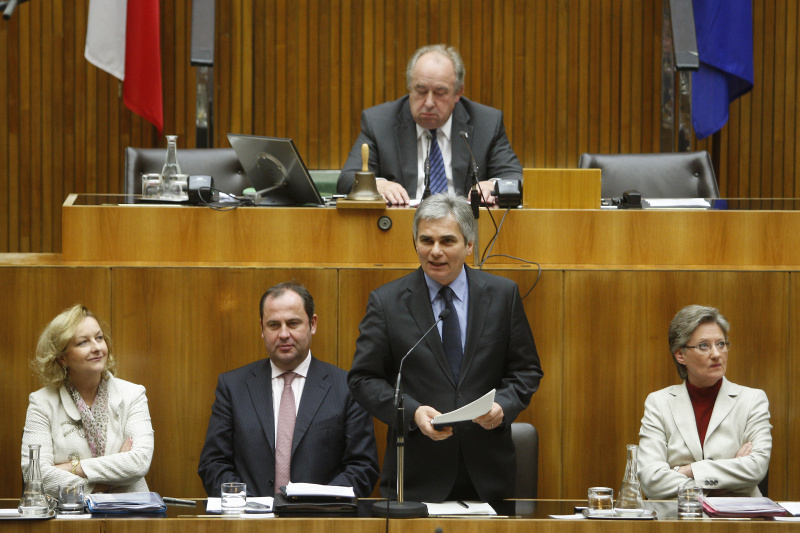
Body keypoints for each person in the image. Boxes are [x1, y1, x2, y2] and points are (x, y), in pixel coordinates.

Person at [347, 193, 542, 502]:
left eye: (447, 241)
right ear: (415, 243)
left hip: (488, 475)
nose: (435, 251)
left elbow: (526, 371)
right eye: (426, 240)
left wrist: (503, 406)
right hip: (416, 476)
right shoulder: (387, 302)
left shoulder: (502, 295)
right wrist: (412, 413)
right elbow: (363, 379)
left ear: (469, 245)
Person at [198, 282, 379, 497]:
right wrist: (250, 506)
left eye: (293, 323)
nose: (283, 334)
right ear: (262, 329)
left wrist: (313, 505)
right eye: (274, 325)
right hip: (249, 515)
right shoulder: (232, 386)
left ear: (312, 324)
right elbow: (214, 464)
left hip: (321, 516)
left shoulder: (348, 388)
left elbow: (362, 468)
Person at [337, 44, 522, 206]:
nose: (429, 102)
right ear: (410, 86)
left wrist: (494, 185)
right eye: (421, 91)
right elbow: (346, 179)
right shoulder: (379, 122)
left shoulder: (486, 123)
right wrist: (377, 184)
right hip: (400, 226)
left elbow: (515, 177)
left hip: (466, 229)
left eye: (440, 92)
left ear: (458, 92)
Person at [637, 305, 771, 499]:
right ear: (680, 355)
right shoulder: (659, 403)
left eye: (721, 344)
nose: (716, 354)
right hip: (678, 515)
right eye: (703, 346)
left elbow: (755, 469)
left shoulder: (752, 400)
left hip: (738, 514)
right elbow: (651, 481)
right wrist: (724, 483)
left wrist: (687, 470)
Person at [21, 305, 154, 497]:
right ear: (62, 358)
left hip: (129, 509)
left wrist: (72, 467)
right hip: (69, 511)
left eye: (99, 338)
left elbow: (138, 462)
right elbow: (36, 476)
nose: (97, 347)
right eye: (83, 342)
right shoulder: (42, 402)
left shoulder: (132, 394)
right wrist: (109, 481)